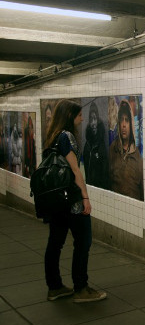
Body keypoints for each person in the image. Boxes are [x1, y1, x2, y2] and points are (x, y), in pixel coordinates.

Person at [44, 99, 107, 303]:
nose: (82, 118)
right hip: (72, 199)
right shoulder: (67, 137)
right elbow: (75, 170)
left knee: (55, 243)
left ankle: (54, 287)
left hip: (56, 199)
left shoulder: (52, 136)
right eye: (79, 115)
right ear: (70, 116)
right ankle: (81, 288)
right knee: (83, 241)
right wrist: (85, 198)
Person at [109, 100, 144, 200]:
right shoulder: (113, 149)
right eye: (121, 120)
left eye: (127, 120)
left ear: (131, 124)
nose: (124, 125)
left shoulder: (137, 158)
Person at [82, 101, 109, 189]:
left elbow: (105, 174)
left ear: (98, 120)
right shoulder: (87, 145)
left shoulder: (101, 146)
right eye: (91, 119)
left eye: (95, 119)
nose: (93, 123)